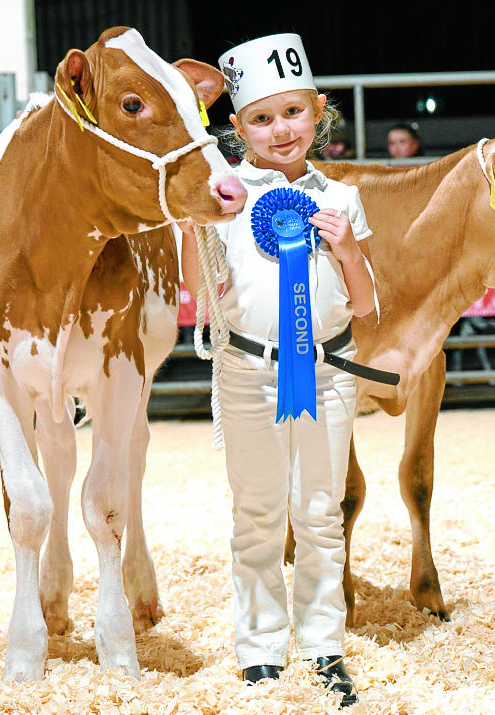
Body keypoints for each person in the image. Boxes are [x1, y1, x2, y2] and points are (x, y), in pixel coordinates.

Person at [179, 33, 377, 707]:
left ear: (318, 111)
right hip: (246, 373)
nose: (281, 130)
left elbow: (368, 299)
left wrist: (348, 249)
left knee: (320, 513)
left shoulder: (343, 197)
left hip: (328, 371)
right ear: (237, 128)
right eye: (261, 118)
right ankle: (261, 648)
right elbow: (200, 293)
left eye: (293, 112)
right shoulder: (226, 195)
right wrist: (192, 221)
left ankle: (325, 646)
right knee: (257, 513)